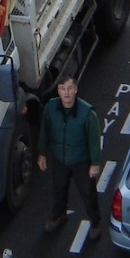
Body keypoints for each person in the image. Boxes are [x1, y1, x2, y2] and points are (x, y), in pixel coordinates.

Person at [37, 76, 102, 239]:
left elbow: (94, 139)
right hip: (60, 158)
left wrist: (95, 163)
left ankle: (95, 223)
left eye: (69, 88)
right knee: (59, 189)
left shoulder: (88, 113)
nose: (66, 92)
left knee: (88, 193)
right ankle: (59, 215)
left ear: (75, 90)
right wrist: (42, 153)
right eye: (62, 88)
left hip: (81, 161)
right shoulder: (50, 108)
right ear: (58, 90)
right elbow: (44, 131)